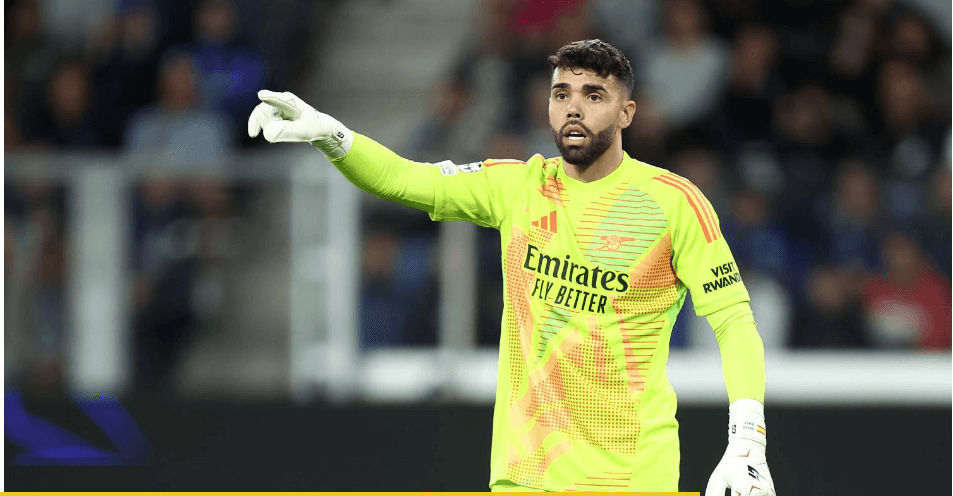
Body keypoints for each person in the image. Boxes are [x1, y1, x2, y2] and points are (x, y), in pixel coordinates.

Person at [249, 39, 775, 495]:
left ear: (626, 113)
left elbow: (733, 321)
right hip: (523, 474)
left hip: (629, 476)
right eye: (561, 94)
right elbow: (409, 181)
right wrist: (330, 135)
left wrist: (748, 439)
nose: (574, 108)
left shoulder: (673, 202)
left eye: (594, 96)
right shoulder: (517, 186)